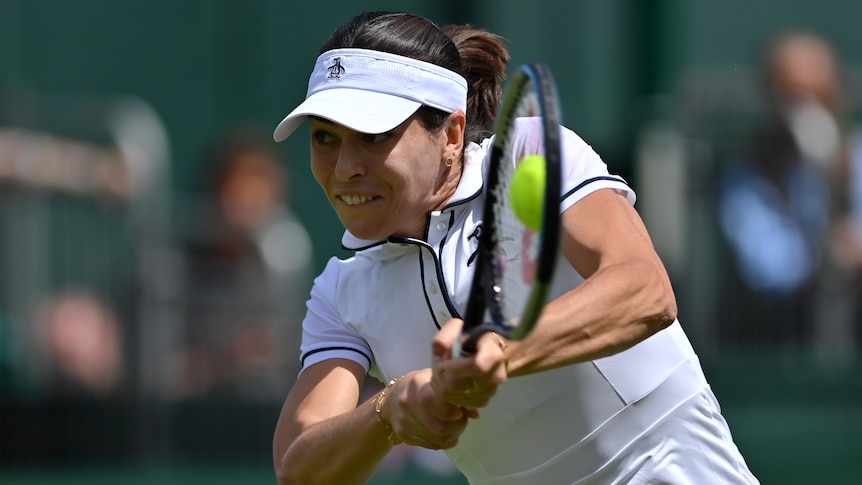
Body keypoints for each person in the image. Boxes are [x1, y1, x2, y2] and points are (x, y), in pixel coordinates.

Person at [271, 11, 758, 484]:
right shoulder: (340, 291)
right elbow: (300, 468)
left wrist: (499, 349)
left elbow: (645, 291)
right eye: (325, 138)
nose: (343, 169)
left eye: (375, 136)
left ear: (452, 135)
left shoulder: (530, 155)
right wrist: (389, 411)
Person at [717, 30, 862, 348]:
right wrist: (827, 255)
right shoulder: (748, 173)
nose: (809, 112)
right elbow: (766, 268)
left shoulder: (857, 157)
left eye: (820, 96)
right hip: (786, 347)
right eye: (794, 98)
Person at [169, 127, 313, 401]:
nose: (247, 201)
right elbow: (161, 371)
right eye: (237, 188)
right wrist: (224, 358)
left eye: (261, 189)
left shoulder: (283, 263)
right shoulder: (171, 268)